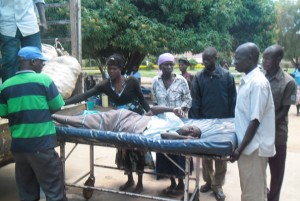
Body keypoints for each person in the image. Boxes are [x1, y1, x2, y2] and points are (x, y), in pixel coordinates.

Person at [64, 53, 151, 194]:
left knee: (137, 150)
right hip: (118, 122)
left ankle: (140, 182)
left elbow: (142, 99)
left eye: (114, 69)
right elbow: (85, 95)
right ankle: (129, 179)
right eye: (109, 68)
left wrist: (150, 114)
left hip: (135, 120)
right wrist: (64, 102)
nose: (111, 71)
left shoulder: (132, 81)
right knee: (123, 150)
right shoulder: (105, 85)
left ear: (121, 69)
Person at [0, 46, 66, 201]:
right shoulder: (44, 81)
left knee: (27, 193)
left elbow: (3, 112)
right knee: (54, 192)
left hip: (19, 149)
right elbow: (56, 106)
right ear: (32, 61)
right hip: (41, 146)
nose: (42, 65)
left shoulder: (6, 85)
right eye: (41, 62)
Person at [189, 47, 236, 201]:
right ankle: (209, 182)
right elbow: (195, 101)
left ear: (215, 58)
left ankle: (218, 185)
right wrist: (195, 123)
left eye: (207, 59)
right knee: (206, 155)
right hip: (204, 123)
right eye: (203, 59)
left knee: (221, 157)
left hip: (223, 123)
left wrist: (231, 123)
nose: (204, 62)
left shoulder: (227, 76)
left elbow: (232, 101)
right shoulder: (198, 77)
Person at [231, 42, 276, 201]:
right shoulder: (247, 80)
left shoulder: (258, 83)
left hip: (252, 149)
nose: (234, 61)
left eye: (237, 58)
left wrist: (239, 150)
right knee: (255, 191)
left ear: (250, 59)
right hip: (248, 147)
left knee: (252, 195)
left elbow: (255, 120)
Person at [152, 53, 192, 197]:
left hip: (179, 124)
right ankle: (172, 183)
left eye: (171, 64)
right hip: (162, 124)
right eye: (166, 64)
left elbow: (188, 100)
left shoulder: (181, 81)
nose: (169, 67)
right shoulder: (155, 81)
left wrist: (182, 109)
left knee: (178, 154)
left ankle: (181, 184)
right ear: (160, 66)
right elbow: (155, 103)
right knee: (164, 154)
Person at [262, 45, 296, 201]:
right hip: (259, 135)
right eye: (263, 57)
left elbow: (283, 111)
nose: (264, 61)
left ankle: (273, 198)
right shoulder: (260, 78)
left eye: (268, 58)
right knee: (259, 171)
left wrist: (263, 125)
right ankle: (263, 194)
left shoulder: (288, 82)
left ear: (278, 60)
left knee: (276, 175)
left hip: (277, 136)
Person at [53, 106, 201, 140]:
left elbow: (165, 134)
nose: (190, 131)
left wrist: (185, 139)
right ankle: (54, 117)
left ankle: (55, 120)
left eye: (193, 134)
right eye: (192, 128)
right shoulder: (176, 120)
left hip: (128, 127)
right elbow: (153, 109)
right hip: (130, 117)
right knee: (88, 121)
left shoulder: (174, 136)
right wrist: (172, 109)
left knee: (87, 123)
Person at [0, 0, 47, 82]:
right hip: (7, 24)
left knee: (35, 60)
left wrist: (43, 21)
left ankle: (35, 90)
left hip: (29, 22)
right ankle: (10, 93)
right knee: (9, 63)